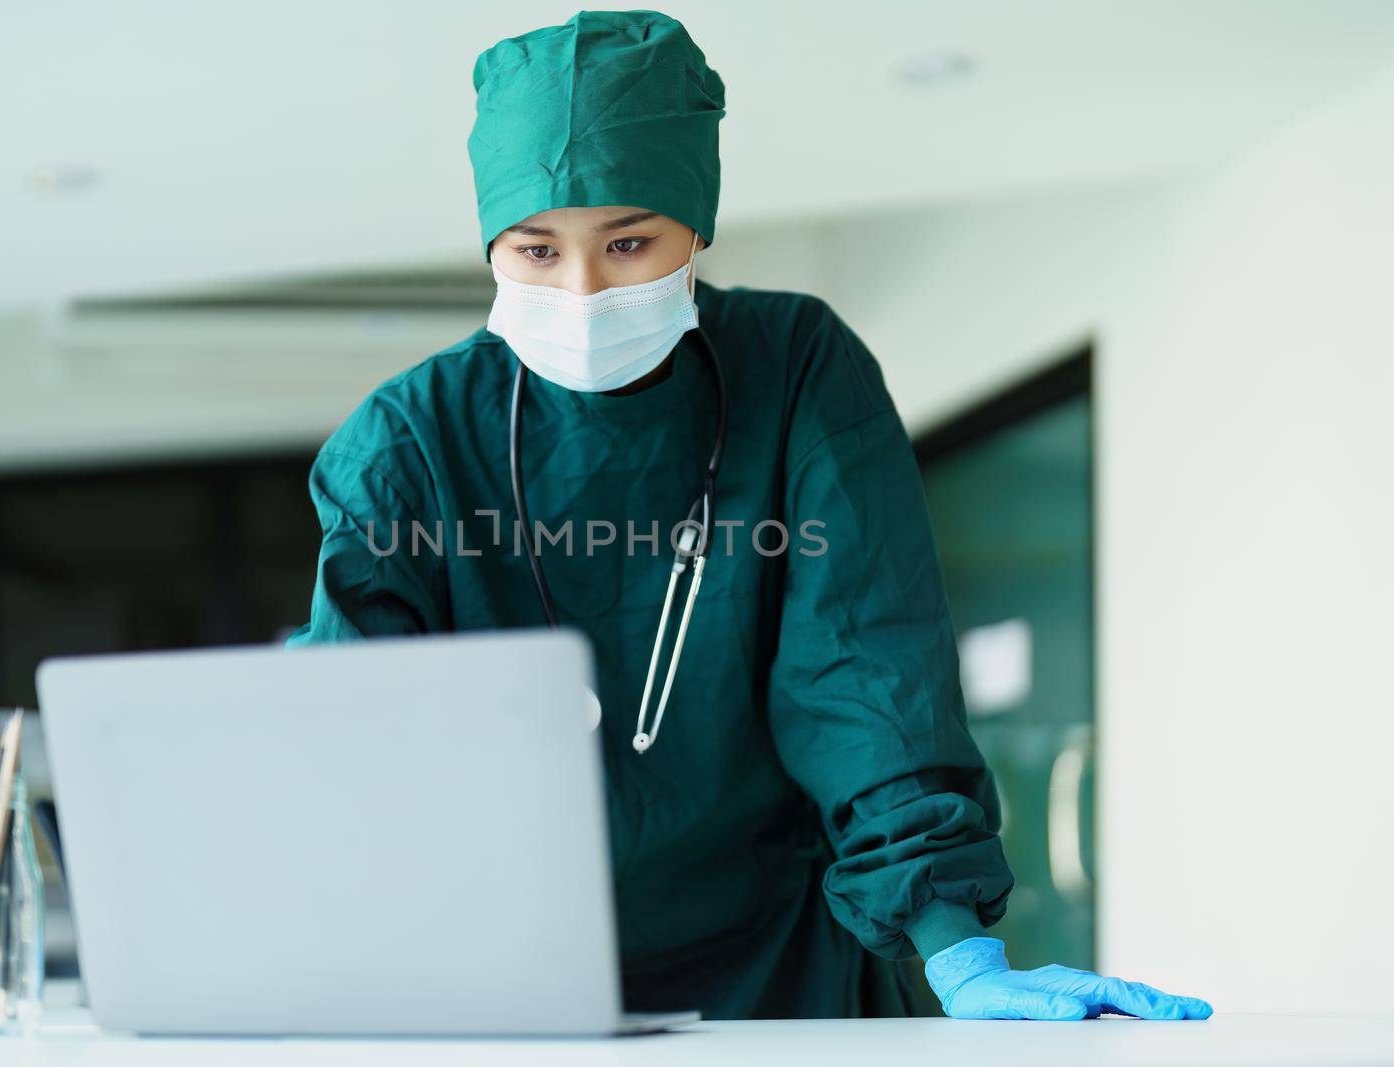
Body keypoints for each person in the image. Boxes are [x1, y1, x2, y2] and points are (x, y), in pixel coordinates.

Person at [290, 10, 1211, 1023]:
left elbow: (864, 668)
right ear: (492, 250)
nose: (585, 290)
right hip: (499, 969)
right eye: (537, 251)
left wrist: (955, 948)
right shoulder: (409, 440)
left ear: (698, 222)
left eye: (630, 241)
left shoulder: (798, 367)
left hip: (782, 963)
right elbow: (355, 731)